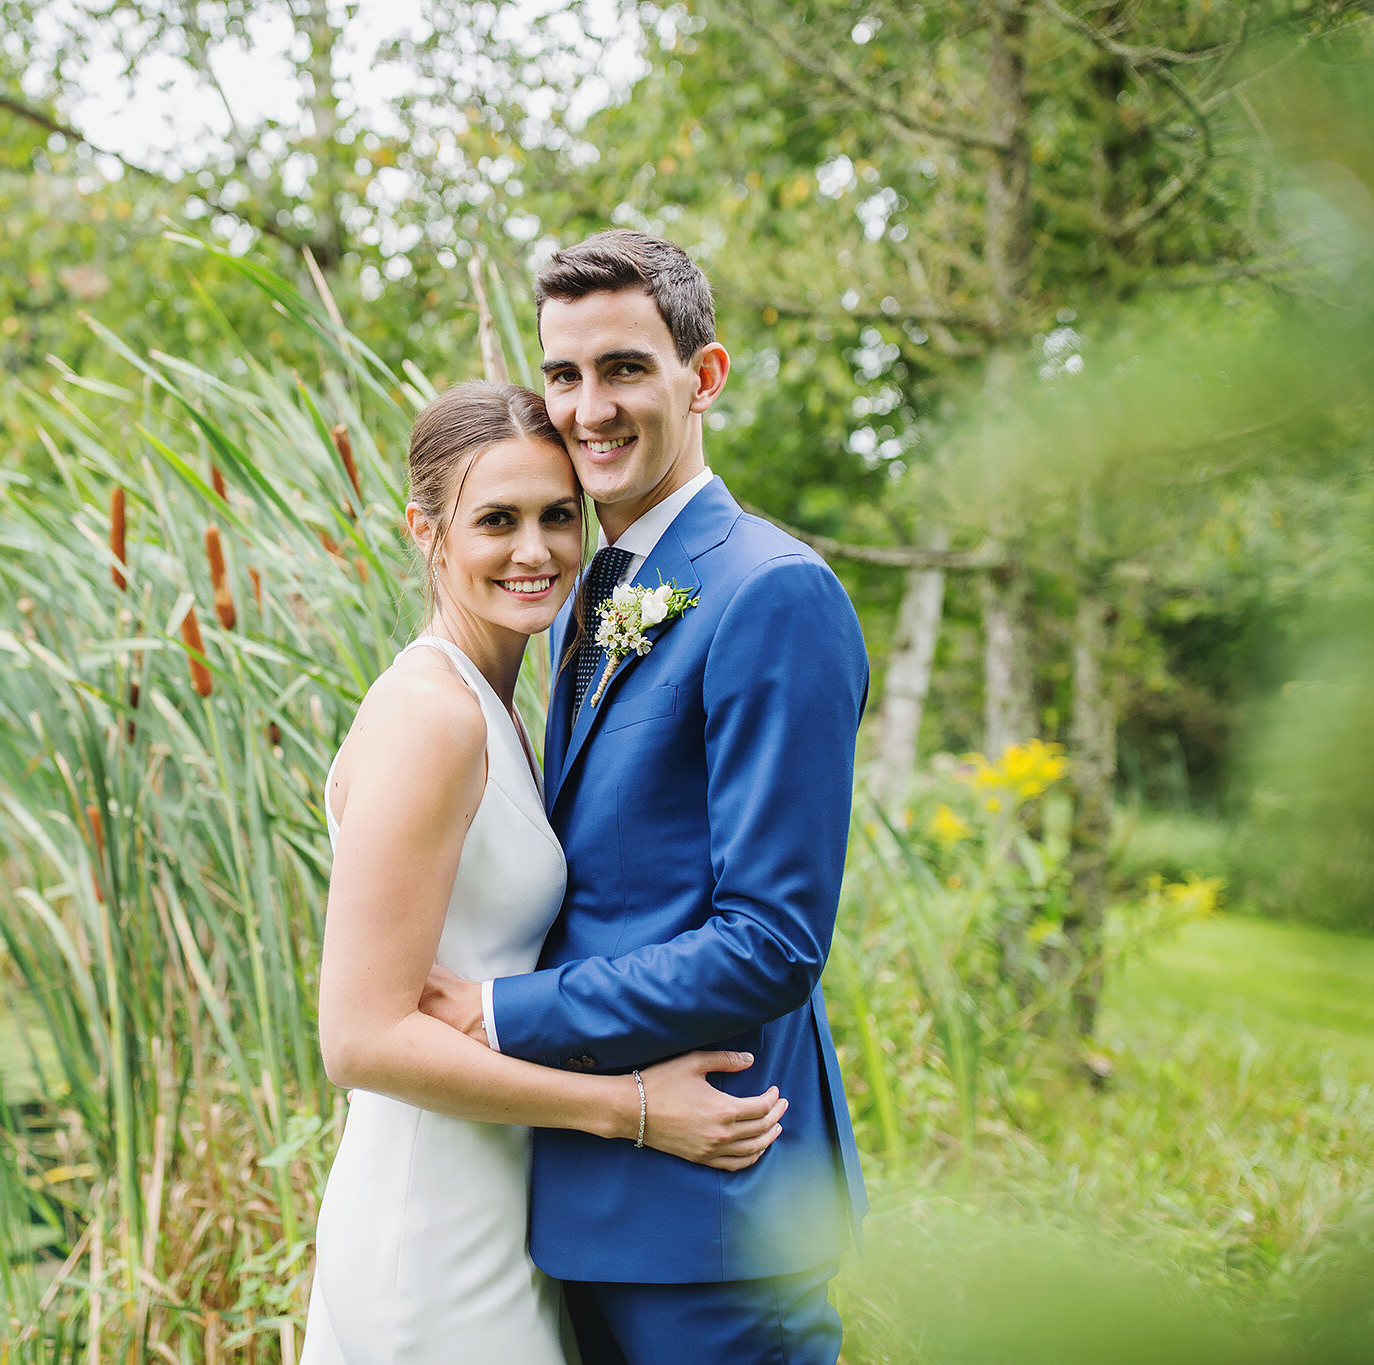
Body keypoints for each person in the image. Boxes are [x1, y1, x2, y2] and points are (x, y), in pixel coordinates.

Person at [419, 230, 871, 1365]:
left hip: (718, 1211)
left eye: (623, 368)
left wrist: (500, 1015)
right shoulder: (582, 590)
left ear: (701, 377)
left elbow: (770, 941)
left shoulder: (770, 593)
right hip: (587, 1206)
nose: (587, 409)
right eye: (562, 376)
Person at [301, 380, 790, 1365]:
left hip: (504, 1191)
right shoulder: (430, 717)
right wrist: (632, 1112)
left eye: (556, 516)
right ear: (426, 532)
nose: (535, 551)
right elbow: (356, 1040)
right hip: (429, 1218)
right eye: (496, 520)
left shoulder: (505, 703)